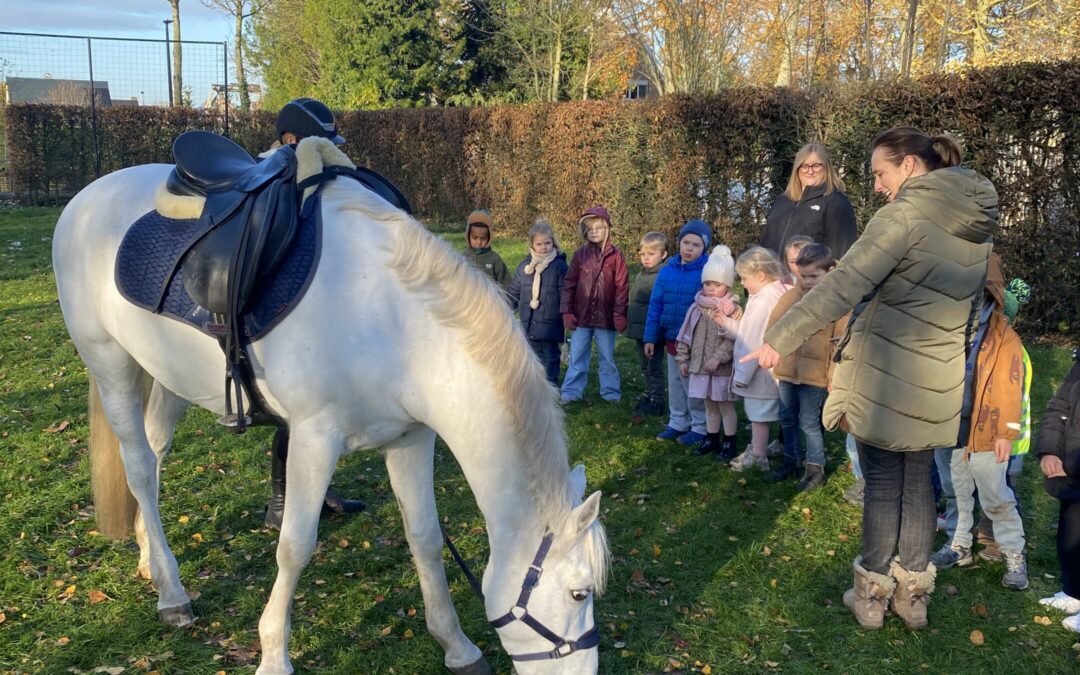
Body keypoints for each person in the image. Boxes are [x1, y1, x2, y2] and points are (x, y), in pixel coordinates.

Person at [746, 127, 996, 631]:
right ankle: (914, 598)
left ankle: (873, 597)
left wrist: (782, 336)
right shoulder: (975, 224)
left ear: (908, 166)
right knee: (919, 485)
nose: (878, 186)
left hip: (888, 373)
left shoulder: (903, 216)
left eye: (881, 173)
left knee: (883, 483)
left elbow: (844, 283)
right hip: (942, 373)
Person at [263, 98, 364, 530]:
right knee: (296, 411)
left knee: (310, 416)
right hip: (285, 314)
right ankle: (281, 502)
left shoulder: (319, 176)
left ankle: (314, 492)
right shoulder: (276, 182)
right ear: (290, 141)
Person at [928, 255, 1028, 591]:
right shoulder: (942, 325)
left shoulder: (1003, 336)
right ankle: (959, 546)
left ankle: (1014, 555)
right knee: (955, 491)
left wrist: (1005, 433)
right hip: (948, 426)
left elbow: (1010, 386)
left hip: (987, 431)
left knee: (996, 497)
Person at [765, 243, 848, 490]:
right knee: (786, 416)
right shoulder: (791, 296)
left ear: (829, 270)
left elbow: (840, 343)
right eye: (803, 276)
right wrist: (773, 351)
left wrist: (833, 376)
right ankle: (791, 458)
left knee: (810, 421)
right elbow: (775, 325)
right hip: (788, 369)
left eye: (814, 276)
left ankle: (815, 469)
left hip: (816, 375)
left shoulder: (839, 301)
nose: (808, 282)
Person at [714, 246, 788, 472]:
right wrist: (728, 324)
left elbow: (753, 339)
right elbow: (749, 330)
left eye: (745, 278)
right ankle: (764, 448)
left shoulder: (764, 300)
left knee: (758, 414)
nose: (743, 283)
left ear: (761, 276)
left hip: (759, 371)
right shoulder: (776, 293)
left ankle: (758, 455)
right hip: (768, 367)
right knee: (763, 412)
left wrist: (742, 376)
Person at [644, 220, 712, 447]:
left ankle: (700, 426)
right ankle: (677, 421)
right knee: (674, 382)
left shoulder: (707, 272)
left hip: (697, 340)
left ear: (704, 248)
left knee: (693, 384)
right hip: (671, 337)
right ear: (679, 243)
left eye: (696, 245)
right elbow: (656, 304)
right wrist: (651, 337)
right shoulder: (667, 271)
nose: (689, 248)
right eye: (686, 243)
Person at [674, 246, 741, 459]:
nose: (711, 288)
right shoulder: (696, 308)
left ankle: (730, 441)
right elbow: (685, 334)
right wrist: (682, 358)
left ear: (727, 285)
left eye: (717, 284)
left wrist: (717, 358)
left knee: (725, 406)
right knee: (709, 405)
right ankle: (711, 438)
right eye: (707, 283)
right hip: (700, 366)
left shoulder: (733, 310)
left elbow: (734, 339)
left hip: (721, 369)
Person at [559, 206, 629, 403]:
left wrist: (619, 313)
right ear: (584, 232)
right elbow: (569, 284)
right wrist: (567, 311)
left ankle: (611, 393)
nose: (595, 232)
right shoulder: (580, 255)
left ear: (607, 228)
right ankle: (571, 392)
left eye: (599, 227)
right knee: (577, 356)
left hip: (606, 318)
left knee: (607, 358)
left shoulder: (616, 256)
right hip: (581, 317)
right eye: (590, 229)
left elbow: (622, 286)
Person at [1035, 349, 1080, 633]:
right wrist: (1050, 450)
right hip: (1072, 466)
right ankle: (1074, 591)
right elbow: (1059, 405)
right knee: (1072, 533)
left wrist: (1074, 464)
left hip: (1075, 463)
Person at [761, 143, 858, 260]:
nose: (810, 171)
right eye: (804, 166)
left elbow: (842, 253)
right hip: (776, 276)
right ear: (797, 169)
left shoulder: (836, 203)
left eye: (816, 165)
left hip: (810, 277)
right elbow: (766, 241)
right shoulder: (782, 201)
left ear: (826, 167)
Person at [506, 219, 568, 385]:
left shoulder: (559, 267)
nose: (544, 247)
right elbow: (514, 291)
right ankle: (534, 387)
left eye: (547, 243)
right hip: (529, 324)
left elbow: (566, 294)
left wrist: (567, 316)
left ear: (553, 243)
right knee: (532, 358)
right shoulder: (525, 267)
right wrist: (505, 308)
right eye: (539, 244)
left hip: (550, 325)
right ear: (532, 245)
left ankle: (551, 387)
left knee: (550, 358)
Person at [629, 232, 669, 417]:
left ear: (663, 255)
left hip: (652, 331)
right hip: (640, 328)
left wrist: (653, 333)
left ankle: (658, 400)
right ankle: (648, 393)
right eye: (643, 254)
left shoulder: (662, 276)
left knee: (654, 367)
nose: (646, 258)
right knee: (644, 366)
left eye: (651, 254)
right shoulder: (642, 274)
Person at [463, 209, 509, 289]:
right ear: (468, 235)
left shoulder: (495, 260)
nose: (478, 242)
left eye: (483, 238)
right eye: (474, 238)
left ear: (489, 238)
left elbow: (506, 285)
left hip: (489, 300)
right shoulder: (462, 257)